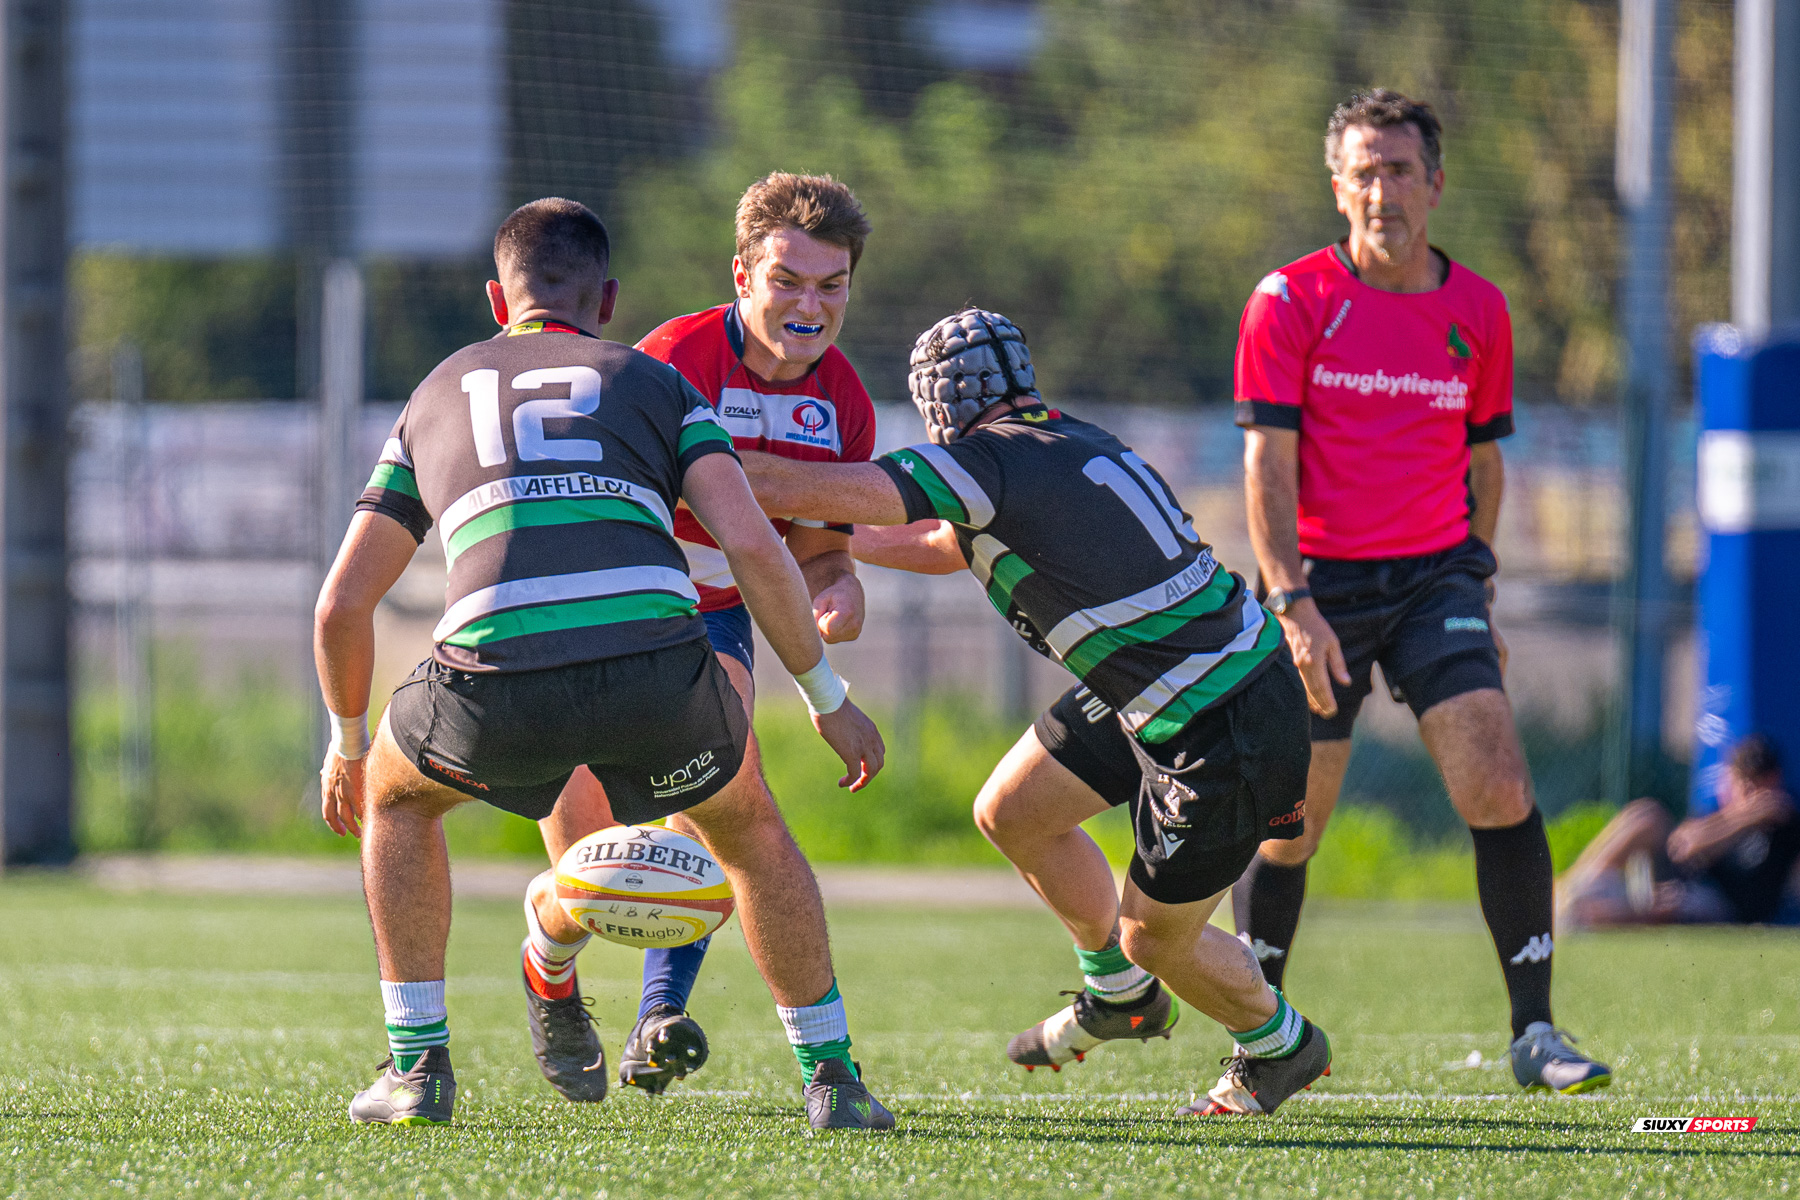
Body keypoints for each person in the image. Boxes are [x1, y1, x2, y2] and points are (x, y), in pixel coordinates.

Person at [313, 197, 894, 1130]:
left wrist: (347, 747)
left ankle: (418, 1071)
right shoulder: (657, 375)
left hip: (495, 670)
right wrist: (829, 699)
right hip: (660, 658)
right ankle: (833, 1080)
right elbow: (754, 544)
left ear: (496, 302)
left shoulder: (437, 390)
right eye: (789, 279)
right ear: (610, 303)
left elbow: (342, 604)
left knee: (398, 801)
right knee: (747, 833)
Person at [745, 308, 1332, 1118]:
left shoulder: (989, 461)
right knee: (1014, 810)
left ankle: (1280, 1044)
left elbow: (821, 489)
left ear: (938, 403)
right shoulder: (1064, 439)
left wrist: (697, 464)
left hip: (1217, 714)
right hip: (1178, 679)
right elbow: (942, 544)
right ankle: (1119, 997)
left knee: (1154, 938)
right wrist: (828, 542)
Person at [1229, 88, 1610, 1095]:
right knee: (1291, 822)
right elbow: (1267, 464)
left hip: (1438, 576)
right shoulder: (1289, 300)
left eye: (1400, 170)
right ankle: (1260, 1043)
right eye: (1364, 171)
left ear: (1434, 185)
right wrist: (1289, 601)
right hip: (1319, 588)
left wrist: (1476, 580)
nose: (1382, 190)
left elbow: (1485, 460)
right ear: (1337, 186)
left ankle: (1536, 1032)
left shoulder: (1479, 309)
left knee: (1499, 780)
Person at [533, 172, 877, 1096]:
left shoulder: (845, 401)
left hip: (715, 615)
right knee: (588, 878)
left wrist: (838, 589)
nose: (810, 306)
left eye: (832, 286)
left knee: (721, 804)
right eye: (788, 281)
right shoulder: (669, 358)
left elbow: (821, 551)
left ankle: (660, 1016)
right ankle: (548, 967)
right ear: (742, 275)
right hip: (606, 602)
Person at [1558, 735, 1800, 927]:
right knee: (1649, 815)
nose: (1752, 795)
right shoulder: (1728, 815)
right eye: (1743, 785)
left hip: (1724, 905)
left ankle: (1584, 917)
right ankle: (1574, 887)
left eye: (1757, 785)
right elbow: (1683, 846)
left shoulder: (1787, 824)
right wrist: (1743, 818)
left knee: (1677, 902)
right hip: (1689, 880)